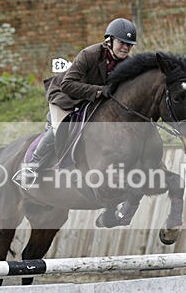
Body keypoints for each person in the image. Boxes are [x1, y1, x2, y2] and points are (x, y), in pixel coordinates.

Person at [23, 17, 138, 179]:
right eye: (122, 43)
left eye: (129, 44)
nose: (126, 48)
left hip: (91, 100)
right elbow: (67, 84)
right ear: (110, 40)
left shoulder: (129, 64)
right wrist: (99, 90)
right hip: (65, 95)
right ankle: (31, 167)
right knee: (59, 127)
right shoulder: (89, 54)